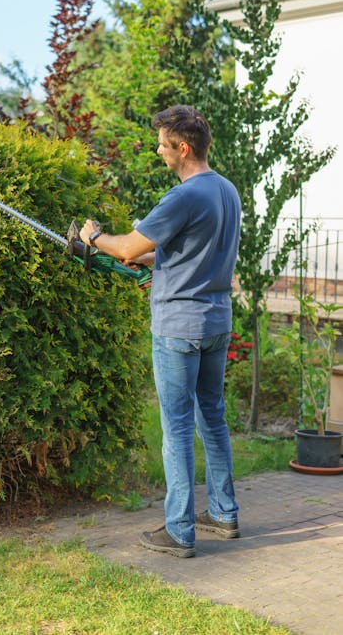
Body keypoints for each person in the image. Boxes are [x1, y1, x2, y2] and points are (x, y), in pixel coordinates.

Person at [80, 104, 241, 558]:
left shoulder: (184, 196)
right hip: (216, 321)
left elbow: (129, 244)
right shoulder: (226, 191)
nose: (158, 152)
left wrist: (94, 238)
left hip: (179, 327)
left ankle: (179, 531)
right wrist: (145, 258)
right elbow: (192, 254)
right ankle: (224, 514)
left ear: (182, 148)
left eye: (162, 145)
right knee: (212, 416)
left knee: (176, 428)